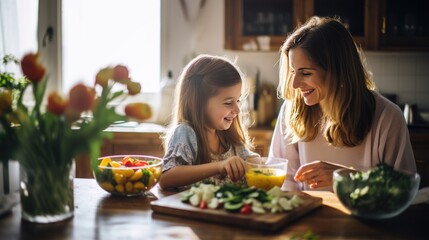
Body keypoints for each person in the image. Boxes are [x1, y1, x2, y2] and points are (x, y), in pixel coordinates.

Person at [269, 16, 416, 191]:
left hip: (365, 218)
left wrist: (346, 178)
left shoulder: (387, 116)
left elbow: (403, 188)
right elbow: (284, 180)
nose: (295, 84)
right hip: (309, 216)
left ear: (338, 71)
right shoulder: (291, 111)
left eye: (306, 73)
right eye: (293, 72)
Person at [159, 54, 259, 189]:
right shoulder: (186, 133)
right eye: (228, 103)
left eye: (238, 101)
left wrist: (256, 162)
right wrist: (219, 166)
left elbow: (248, 159)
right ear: (199, 103)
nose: (237, 110)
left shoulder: (228, 135)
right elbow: (166, 177)